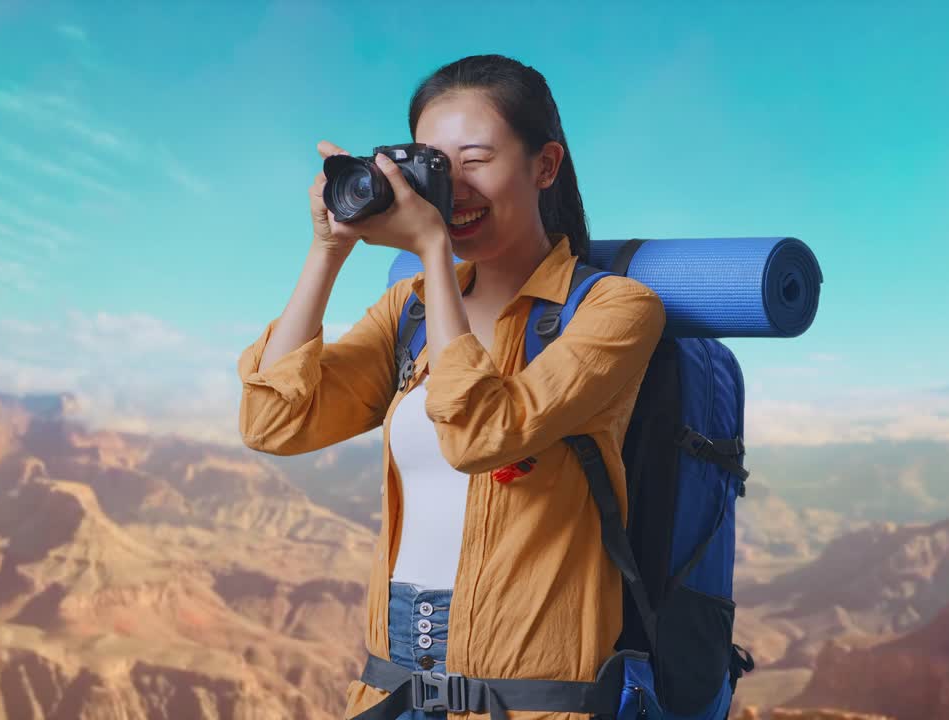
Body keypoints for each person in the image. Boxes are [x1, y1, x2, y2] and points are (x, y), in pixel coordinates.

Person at [237, 54, 666, 720]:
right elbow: (274, 424)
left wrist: (433, 249)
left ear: (545, 165)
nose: (454, 190)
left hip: (531, 694)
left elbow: (480, 436)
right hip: (393, 682)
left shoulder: (614, 310)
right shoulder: (406, 312)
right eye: (433, 165)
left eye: (476, 160)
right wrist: (328, 250)